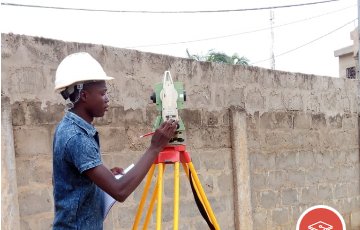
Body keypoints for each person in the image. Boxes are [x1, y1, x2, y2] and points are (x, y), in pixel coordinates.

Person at [52, 52, 177, 229]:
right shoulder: (76, 136)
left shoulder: (69, 127)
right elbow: (120, 191)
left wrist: (105, 174)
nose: (107, 99)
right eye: (102, 93)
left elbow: (75, 178)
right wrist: (155, 148)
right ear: (85, 95)